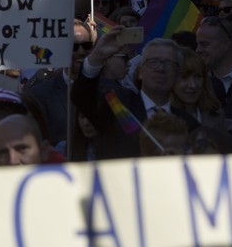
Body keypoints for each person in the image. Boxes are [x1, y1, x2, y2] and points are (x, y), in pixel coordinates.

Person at [73, 29, 199, 159]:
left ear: (178, 74)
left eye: (169, 64)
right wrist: (96, 57)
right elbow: (81, 97)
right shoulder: (117, 104)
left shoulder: (189, 124)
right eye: (153, 62)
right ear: (140, 71)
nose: (161, 69)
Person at [26, 19, 93, 145]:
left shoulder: (109, 89)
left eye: (86, 46)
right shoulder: (41, 94)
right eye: (74, 47)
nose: (81, 52)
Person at [196, 15, 232, 123]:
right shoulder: (194, 81)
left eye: (204, 44)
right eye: (197, 44)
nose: (198, 50)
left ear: (226, 43)